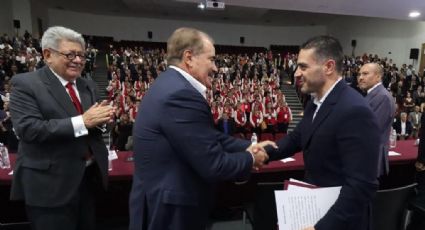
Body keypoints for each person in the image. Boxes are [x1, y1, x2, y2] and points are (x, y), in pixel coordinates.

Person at [129, 27, 273, 230]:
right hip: (172, 209)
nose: (215, 68)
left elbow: (208, 137)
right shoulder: (181, 95)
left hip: (161, 199)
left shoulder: (167, 84)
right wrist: (251, 158)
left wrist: (250, 145)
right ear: (189, 58)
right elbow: (213, 165)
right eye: (211, 59)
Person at [268, 36, 380, 230]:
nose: (296, 73)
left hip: (339, 221)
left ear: (328, 67)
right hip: (317, 205)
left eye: (303, 67)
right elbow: (298, 137)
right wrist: (263, 152)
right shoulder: (315, 101)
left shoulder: (354, 110)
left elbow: (361, 185)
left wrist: (322, 227)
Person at [9, 26, 114, 230]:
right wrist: (83, 121)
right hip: (50, 187)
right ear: (48, 55)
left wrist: (103, 120)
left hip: (87, 181)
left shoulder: (87, 85)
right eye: (70, 54)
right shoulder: (26, 84)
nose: (78, 60)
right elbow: (29, 129)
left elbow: (92, 125)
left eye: (82, 55)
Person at [357, 62, 396, 176]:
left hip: (369, 158)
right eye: (359, 74)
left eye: (365, 74)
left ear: (378, 77)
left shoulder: (382, 97)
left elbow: (370, 131)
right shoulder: (374, 95)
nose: (360, 78)